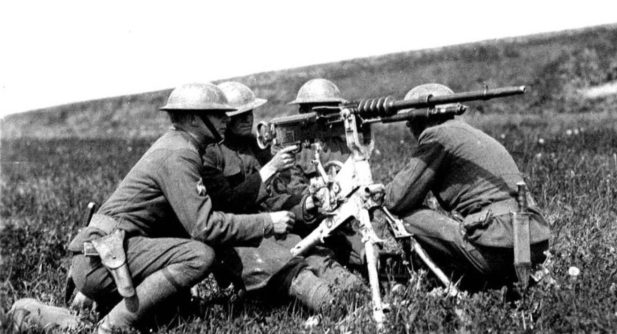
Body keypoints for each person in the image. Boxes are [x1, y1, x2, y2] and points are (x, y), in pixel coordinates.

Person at [66, 83, 295, 333]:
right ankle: (111, 327)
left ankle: (91, 307)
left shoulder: (184, 147)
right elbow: (204, 227)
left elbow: (216, 207)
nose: (225, 120)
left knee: (178, 309)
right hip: (104, 260)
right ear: (194, 119)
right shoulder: (179, 154)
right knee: (199, 256)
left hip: (110, 254)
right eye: (218, 114)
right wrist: (267, 222)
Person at [200, 81, 363, 312]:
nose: (247, 119)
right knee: (290, 268)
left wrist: (306, 204)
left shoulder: (258, 148)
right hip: (237, 236)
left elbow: (275, 197)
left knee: (313, 251)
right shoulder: (210, 154)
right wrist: (269, 170)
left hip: (270, 227)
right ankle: (331, 306)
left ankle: (357, 294)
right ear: (224, 118)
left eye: (249, 112)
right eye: (239, 115)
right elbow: (226, 204)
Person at [384, 83, 551, 290]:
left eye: (409, 120)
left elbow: (397, 200)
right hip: (533, 239)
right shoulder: (470, 134)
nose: (409, 127)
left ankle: (433, 283)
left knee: (401, 217)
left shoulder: (436, 135)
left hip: (498, 245)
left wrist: (380, 193)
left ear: (422, 118)